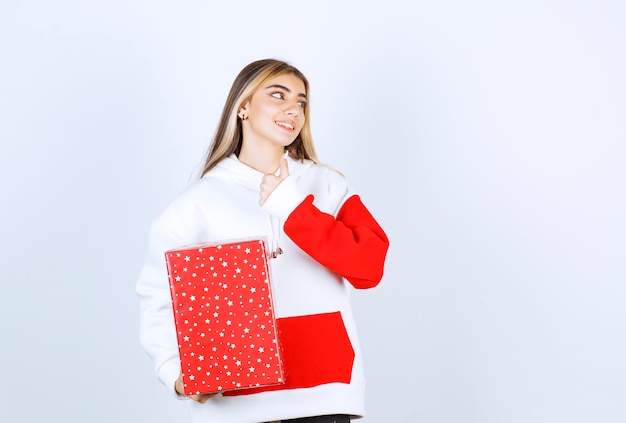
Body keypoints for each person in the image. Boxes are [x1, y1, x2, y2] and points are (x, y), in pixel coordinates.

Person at [136, 58, 389, 423]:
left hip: (323, 395)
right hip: (233, 402)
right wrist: (176, 373)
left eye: (301, 102)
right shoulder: (195, 206)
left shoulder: (326, 186)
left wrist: (293, 206)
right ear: (243, 107)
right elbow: (157, 298)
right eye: (278, 95)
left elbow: (369, 268)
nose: (293, 109)